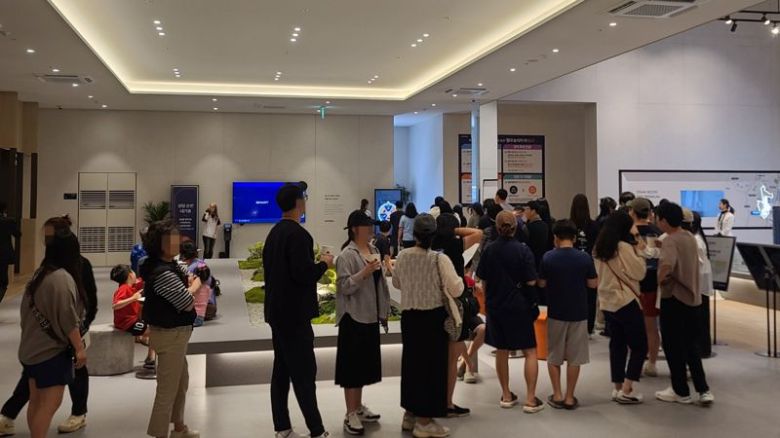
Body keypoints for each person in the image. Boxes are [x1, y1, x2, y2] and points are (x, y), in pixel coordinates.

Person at [0, 216, 96, 436]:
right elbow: (68, 318)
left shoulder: (40, 274)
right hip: (51, 353)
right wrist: (79, 348)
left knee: (35, 401)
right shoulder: (62, 279)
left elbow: (26, 313)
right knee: (49, 403)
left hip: (31, 349)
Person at [263, 182, 334, 438]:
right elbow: (303, 274)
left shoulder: (274, 234)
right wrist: (324, 264)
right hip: (294, 315)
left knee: (281, 371)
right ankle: (317, 430)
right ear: (299, 203)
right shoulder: (299, 235)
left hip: (276, 313)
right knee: (304, 373)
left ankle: (282, 427)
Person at [391, 214, 463, 438]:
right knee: (431, 370)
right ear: (433, 235)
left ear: (415, 234)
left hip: (409, 318)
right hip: (432, 319)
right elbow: (456, 288)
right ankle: (424, 422)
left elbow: (397, 282)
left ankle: (410, 414)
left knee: (412, 366)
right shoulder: (439, 259)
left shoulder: (403, 256)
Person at [140, 220, 202, 438]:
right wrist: (195, 285)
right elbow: (187, 302)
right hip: (170, 336)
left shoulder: (167, 265)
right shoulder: (163, 273)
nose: (178, 241)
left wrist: (191, 284)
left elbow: (189, 278)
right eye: (172, 239)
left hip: (175, 335)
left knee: (180, 382)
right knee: (167, 390)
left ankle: (179, 428)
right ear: (160, 243)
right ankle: (160, 433)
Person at [476, 211, 543, 413]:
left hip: (496, 306)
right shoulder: (523, 250)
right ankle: (530, 399)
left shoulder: (489, 250)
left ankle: (506, 395)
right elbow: (531, 281)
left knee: (502, 350)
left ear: (497, 227)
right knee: (529, 350)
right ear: (516, 227)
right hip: (520, 305)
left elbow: (482, 281)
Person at [335, 210, 390, 435]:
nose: (370, 229)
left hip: (370, 316)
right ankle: (350, 413)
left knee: (364, 366)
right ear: (355, 229)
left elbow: (381, 285)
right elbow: (344, 286)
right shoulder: (346, 255)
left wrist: (383, 311)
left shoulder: (374, 250)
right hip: (353, 317)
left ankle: (357, 407)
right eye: (367, 226)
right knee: (352, 368)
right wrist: (364, 273)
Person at [654, 202, 714, 405]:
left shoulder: (670, 240)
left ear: (663, 220)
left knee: (672, 347)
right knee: (691, 347)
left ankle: (680, 391)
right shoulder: (690, 237)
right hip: (693, 300)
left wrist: (659, 280)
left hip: (674, 299)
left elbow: (667, 266)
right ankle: (703, 389)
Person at [538, 220, 598, 410]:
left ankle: (557, 394)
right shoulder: (584, 258)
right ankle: (570, 397)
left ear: (556, 237)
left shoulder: (548, 257)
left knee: (554, 354)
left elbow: (541, 283)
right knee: (575, 357)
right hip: (579, 311)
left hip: (556, 311)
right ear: (574, 238)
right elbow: (593, 284)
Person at [593, 211, 648, 404]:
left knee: (617, 344)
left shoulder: (598, 248)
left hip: (607, 301)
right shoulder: (623, 247)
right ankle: (627, 388)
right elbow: (639, 273)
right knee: (640, 346)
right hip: (626, 300)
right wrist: (639, 247)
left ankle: (617, 387)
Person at [432, 212, 483, 417]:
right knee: (453, 352)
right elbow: (478, 233)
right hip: (455, 302)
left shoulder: (431, 244)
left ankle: (435, 400)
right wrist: (455, 230)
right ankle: (448, 403)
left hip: (434, 302)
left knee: (437, 355)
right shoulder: (456, 244)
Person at [628, 197, 663, 377]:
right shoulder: (657, 232)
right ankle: (652, 363)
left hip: (632, 284)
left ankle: (635, 361)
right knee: (651, 326)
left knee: (633, 326)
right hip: (653, 283)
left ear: (632, 212)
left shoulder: (628, 232)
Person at [110, 264, 156, 371]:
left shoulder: (131, 285)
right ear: (130, 275)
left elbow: (141, 280)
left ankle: (150, 356)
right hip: (127, 323)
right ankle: (151, 358)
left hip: (130, 321)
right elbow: (115, 305)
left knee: (153, 326)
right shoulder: (124, 288)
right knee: (155, 331)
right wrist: (133, 298)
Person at [570, 194, 599, 335]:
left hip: (572, 263)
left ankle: (575, 323)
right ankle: (589, 325)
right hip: (589, 262)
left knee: (573, 294)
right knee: (591, 295)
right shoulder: (594, 225)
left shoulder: (570, 225)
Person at [686, 210, 714, 358]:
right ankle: (703, 348)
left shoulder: (696, 241)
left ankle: (702, 348)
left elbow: (695, 263)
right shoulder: (697, 239)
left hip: (699, 285)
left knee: (700, 319)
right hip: (701, 284)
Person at [178, 241, 213, 327]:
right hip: (209, 304)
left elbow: (190, 289)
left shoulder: (191, 269)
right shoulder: (201, 263)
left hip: (200, 309)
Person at [0, 201, 21, 302]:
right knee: (3, 281)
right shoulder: (8, 221)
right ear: (4, 210)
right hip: (3, 254)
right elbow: (18, 234)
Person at [524, 200, 552, 270]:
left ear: (533, 211)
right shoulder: (545, 225)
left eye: (527, 209)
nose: (525, 212)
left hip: (530, 261)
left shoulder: (528, 227)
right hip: (543, 260)